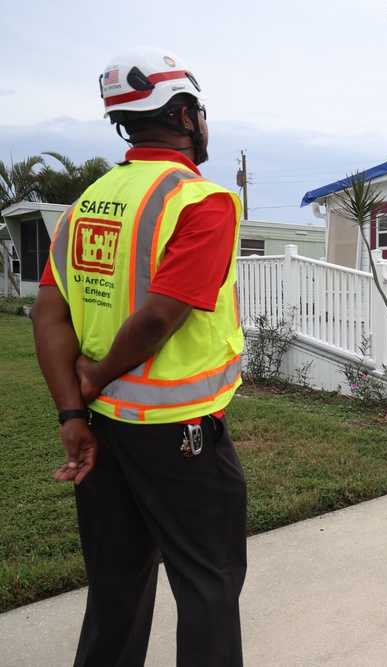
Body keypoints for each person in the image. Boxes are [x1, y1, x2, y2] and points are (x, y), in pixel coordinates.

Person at [30, 47, 247, 666]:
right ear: (183, 114)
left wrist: (74, 414)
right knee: (209, 584)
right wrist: (95, 376)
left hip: (102, 430)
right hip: (178, 435)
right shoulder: (201, 202)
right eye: (199, 112)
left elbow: (49, 313)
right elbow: (157, 315)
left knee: (116, 584)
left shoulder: (83, 207)